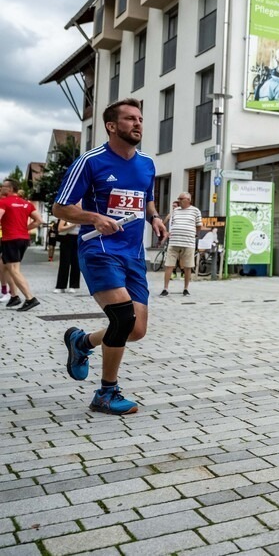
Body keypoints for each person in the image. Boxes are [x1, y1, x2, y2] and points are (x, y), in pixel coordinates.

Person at [53, 98, 167, 415]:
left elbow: (147, 199)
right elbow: (61, 208)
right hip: (99, 250)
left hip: (133, 255)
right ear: (112, 126)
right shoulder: (91, 162)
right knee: (122, 316)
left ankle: (82, 342)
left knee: (136, 329)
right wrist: (94, 218)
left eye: (141, 118)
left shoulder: (146, 164)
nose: (138, 123)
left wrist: (154, 218)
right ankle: (106, 393)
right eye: (130, 118)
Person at [0, 178, 43, 311]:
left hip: (10, 239)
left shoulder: (3, 202)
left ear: (10, 189)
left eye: (3, 187)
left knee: (13, 269)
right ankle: (14, 296)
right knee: (4, 266)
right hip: (23, 239)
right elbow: (39, 220)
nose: (1, 188)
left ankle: (30, 298)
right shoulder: (26, 203)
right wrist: (25, 229)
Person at [160, 193, 202, 297]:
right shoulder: (175, 211)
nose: (178, 200)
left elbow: (199, 226)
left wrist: (195, 235)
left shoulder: (195, 211)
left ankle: (186, 288)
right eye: (178, 199)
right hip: (174, 241)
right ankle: (165, 288)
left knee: (188, 266)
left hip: (188, 242)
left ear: (188, 199)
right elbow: (172, 223)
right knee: (169, 265)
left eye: (181, 199)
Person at [54, 219, 81, 293]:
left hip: (78, 238)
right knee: (64, 262)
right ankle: (60, 286)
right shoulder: (66, 216)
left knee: (76, 263)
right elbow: (60, 228)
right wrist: (74, 224)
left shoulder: (82, 216)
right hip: (67, 238)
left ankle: (73, 286)